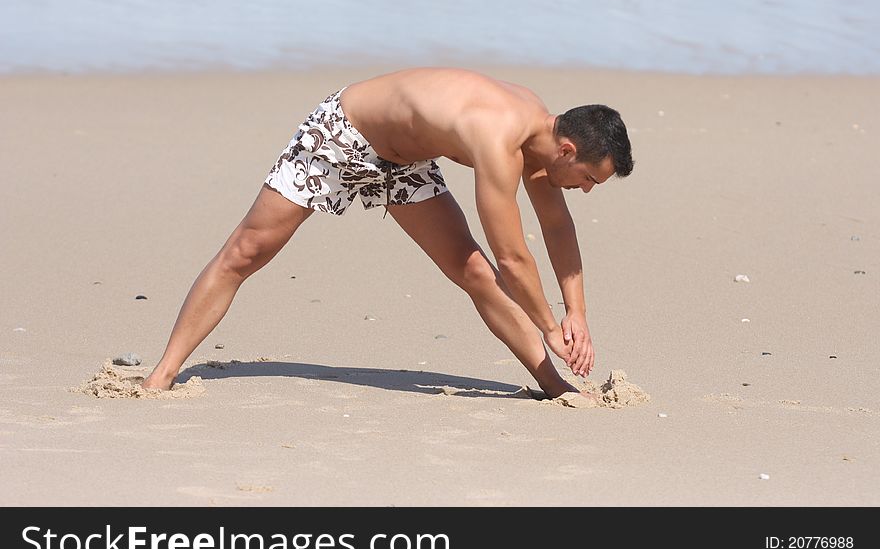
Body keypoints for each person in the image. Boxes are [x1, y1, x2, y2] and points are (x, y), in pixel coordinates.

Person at [143, 67, 633, 400]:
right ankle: (162, 374)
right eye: (590, 179)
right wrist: (551, 328)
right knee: (247, 251)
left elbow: (556, 226)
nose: (586, 191)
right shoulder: (499, 133)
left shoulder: (542, 139)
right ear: (568, 150)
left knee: (473, 271)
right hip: (344, 132)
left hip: (405, 160)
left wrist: (577, 313)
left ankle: (552, 385)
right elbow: (513, 255)